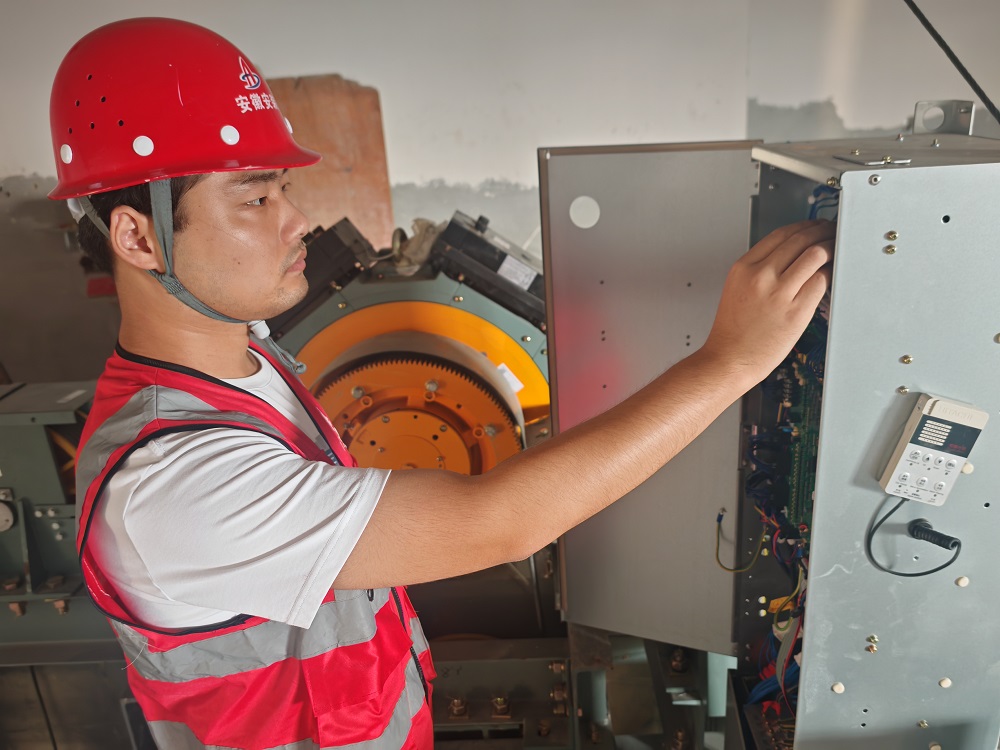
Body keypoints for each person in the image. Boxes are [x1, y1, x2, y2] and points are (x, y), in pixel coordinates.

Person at [52, 17, 835, 750]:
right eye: (256, 197)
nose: (295, 221)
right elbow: (501, 523)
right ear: (138, 237)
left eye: (284, 189)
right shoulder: (172, 489)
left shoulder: (248, 359)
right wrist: (730, 362)